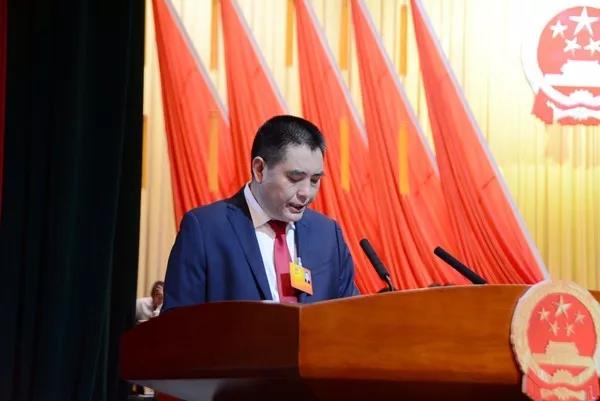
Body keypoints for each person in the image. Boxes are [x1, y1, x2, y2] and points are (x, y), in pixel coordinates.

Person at [162, 115, 358, 311]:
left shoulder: (328, 234)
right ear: (259, 169)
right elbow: (178, 323)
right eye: (295, 178)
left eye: (314, 180)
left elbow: (351, 316)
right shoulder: (205, 230)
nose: (306, 192)